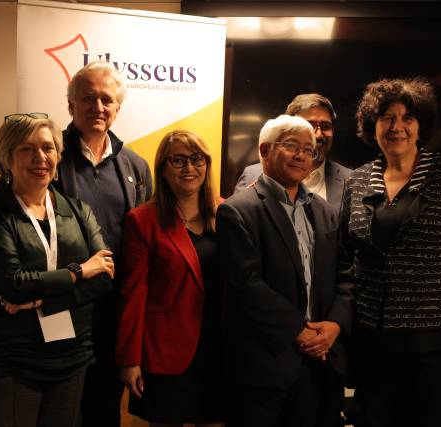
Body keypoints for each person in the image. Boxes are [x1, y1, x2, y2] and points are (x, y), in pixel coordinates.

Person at [340, 77, 441, 427]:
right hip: (374, 342)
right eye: (387, 117)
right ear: (372, 126)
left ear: (421, 126)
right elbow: (346, 256)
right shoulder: (357, 182)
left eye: (407, 118)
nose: (397, 127)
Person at [0, 113, 114, 427]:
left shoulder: (77, 211)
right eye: (27, 149)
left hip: (71, 354)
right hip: (10, 357)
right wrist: (78, 272)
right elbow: (12, 285)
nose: (40, 157)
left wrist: (41, 301)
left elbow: (103, 278)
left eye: (48, 148)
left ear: (58, 155)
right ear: (6, 157)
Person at [217, 115, 353, 427]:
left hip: (323, 364)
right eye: (291, 145)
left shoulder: (326, 212)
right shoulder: (238, 210)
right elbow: (247, 285)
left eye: (309, 149)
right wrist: (300, 331)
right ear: (264, 150)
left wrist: (334, 325)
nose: (302, 155)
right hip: (269, 366)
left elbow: (347, 274)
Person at [56, 61, 153, 426]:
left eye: (106, 100)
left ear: (117, 108)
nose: (98, 107)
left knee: (104, 407)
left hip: (115, 309)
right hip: (63, 306)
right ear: (71, 106)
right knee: (62, 407)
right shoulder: (49, 157)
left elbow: (146, 237)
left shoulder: (135, 165)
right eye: (88, 98)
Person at [116, 130, 225, 427]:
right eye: (177, 160)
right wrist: (130, 359)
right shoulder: (143, 221)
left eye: (196, 159)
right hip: (166, 352)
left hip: (220, 350)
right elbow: (133, 293)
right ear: (162, 169)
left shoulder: (226, 213)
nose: (189, 168)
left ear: (207, 164)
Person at [233, 93, 352, 212]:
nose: (318, 134)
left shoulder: (350, 180)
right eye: (309, 125)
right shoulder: (252, 175)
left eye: (325, 127)